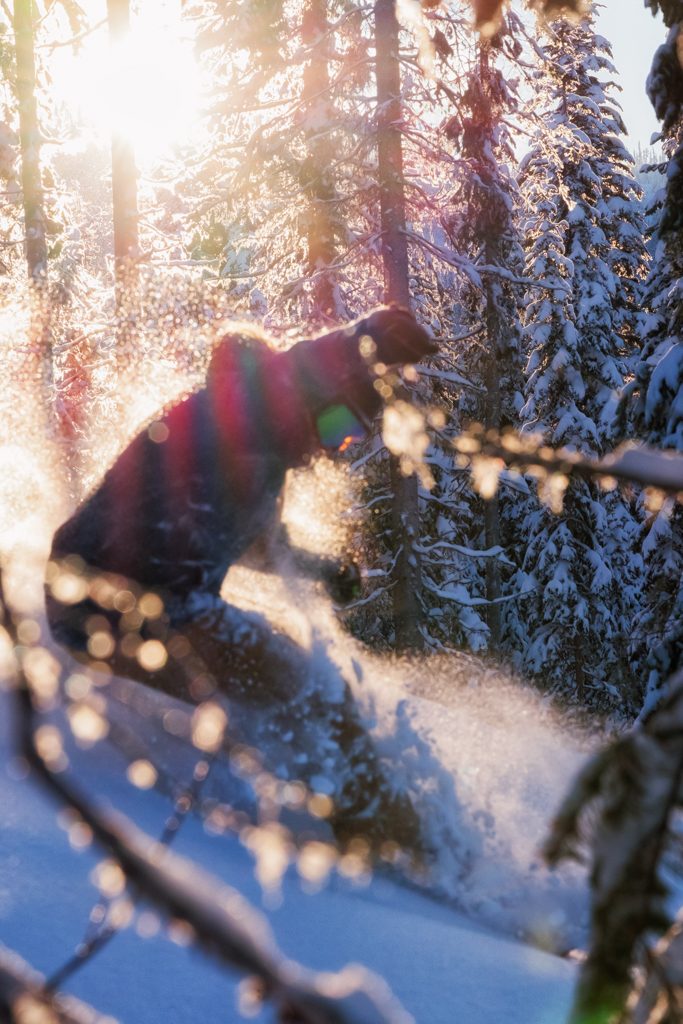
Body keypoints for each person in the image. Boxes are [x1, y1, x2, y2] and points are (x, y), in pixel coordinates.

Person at [46, 306, 437, 850]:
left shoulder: (252, 458)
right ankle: (379, 829)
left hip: (121, 610)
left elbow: (258, 549)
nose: (335, 449)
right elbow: (288, 376)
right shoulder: (224, 414)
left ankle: (322, 805)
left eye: (350, 440)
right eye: (336, 427)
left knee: (280, 681)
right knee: (314, 687)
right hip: (130, 604)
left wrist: (326, 571)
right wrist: (363, 338)